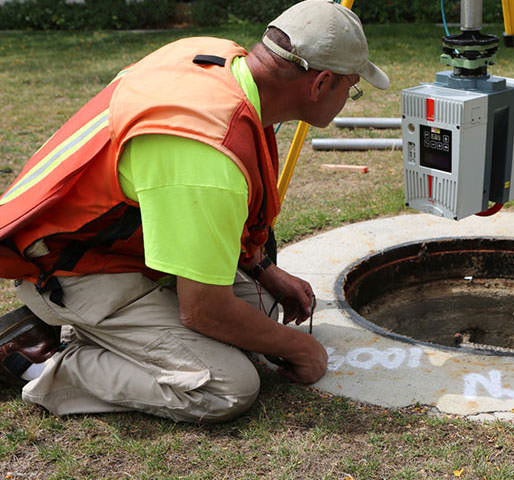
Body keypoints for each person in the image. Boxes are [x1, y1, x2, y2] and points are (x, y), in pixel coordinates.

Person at [0, 0, 389, 423]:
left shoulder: (215, 58)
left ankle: (107, 335)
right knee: (227, 385)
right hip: (72, 268)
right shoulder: (206, 153)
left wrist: (264, 270)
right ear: (321, 83)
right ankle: (37, 360)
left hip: (124, 251)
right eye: (351, 88)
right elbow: (203, 309)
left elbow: (195, 218)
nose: (348, 99)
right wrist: (302, 349)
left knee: (261, 311)